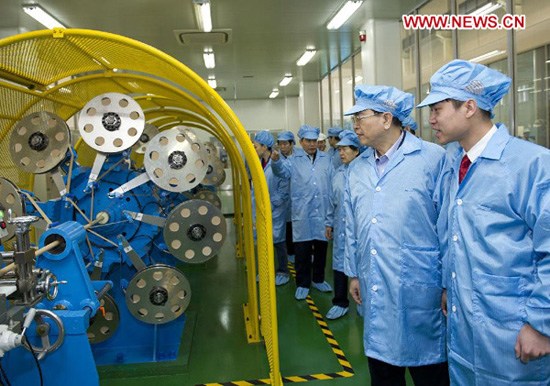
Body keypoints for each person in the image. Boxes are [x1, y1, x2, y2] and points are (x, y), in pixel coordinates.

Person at [418, 59, 550, 385]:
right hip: (464, 331)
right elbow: (455, 234)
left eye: (438, 108)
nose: (431, 118)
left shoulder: (531, 165)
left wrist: (541, 326)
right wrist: (450, 285)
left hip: (513, 332)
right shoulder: (455, 163)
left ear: (470, 107)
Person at [343, 85, 449, 386]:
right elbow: (352, 225)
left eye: (361, 117)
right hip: (374, 284)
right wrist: (353, 274)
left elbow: (448, 227)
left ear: (387, 118)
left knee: (430, 372)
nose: (355, 125)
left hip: (423, 288)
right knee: (383, 372)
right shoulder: (358, 169)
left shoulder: (432, 160)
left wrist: (447, 283)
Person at [272, 125, 333, 300]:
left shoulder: (326, 159)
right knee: (302, 251)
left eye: (315, 141)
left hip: (322, 210)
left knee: (321, 248)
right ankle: (303, 283)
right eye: (308, 141)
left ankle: (318, 279)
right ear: (301, 142)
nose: (312, 144)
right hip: (302, 212)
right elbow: (282, 172)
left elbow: (330, 180)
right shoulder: (294, 159)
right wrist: (276, 161)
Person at [324, 129, 361, 320]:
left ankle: (363, 302)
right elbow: (332, 202)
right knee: (339, 265)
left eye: (345, 149)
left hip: (359, 231)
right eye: (339, 149)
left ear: (356, 151)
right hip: (340, 228)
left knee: (361, 266)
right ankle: (340, 301)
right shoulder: (338, 174)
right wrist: (329, 223)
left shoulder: (365, 173)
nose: (341, 153)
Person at [252, 131, 290, 286]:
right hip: (261, 210)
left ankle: (283, 271)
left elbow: (284, 189)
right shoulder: (260, 162)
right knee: (263, 242)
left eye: (255, 146)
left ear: (264, 147)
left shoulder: (278, 163)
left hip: (275, 210)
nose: (253, 149)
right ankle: (266, 270)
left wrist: (270, 204)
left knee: (278, 242)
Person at [277, 131, 296, 263]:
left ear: (292, 144)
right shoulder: (276, 159)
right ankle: (289, 252)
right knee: (285, 227)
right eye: (280, 144)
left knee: (296, 227)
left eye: (285, 144)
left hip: (297, 198)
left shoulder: (299, 157)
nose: (283, 147)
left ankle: (295, 251)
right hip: (282, 200)